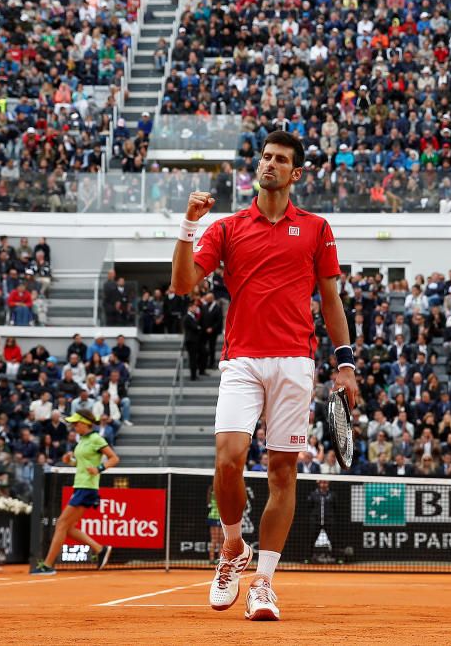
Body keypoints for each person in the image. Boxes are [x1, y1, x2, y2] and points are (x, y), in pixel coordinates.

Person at [171, 130, 358, 621]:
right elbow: (182, 284)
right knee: (228, 459)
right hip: (242, 361)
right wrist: (190, 226)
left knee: (282, 472)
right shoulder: (228, 227)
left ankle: (264, 583)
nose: (269, 164)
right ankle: (233, 547)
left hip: (295, 362)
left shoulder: (316, 227)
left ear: (295, 174)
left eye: (280, 160)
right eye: (265, 157)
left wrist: (345, 364)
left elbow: (332, 301)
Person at [31, 410, 120, 575]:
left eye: (76, 424)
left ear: (85, 423)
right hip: (80, 486)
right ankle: (100, 549)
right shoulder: (82, 441)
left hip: (87, 488)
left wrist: (99, 468)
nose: (74, 427)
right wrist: (70, 461)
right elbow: (81, 463)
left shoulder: (96, 439)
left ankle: (48, 565)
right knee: (68, 527)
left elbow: (114, 458)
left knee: (61, 524)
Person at [206, 483, 222, 565]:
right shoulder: (215, 493)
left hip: (221, 518)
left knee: (221, 540)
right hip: (214, 517)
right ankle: (211, 559)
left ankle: (219, 559)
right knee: (215, 540)